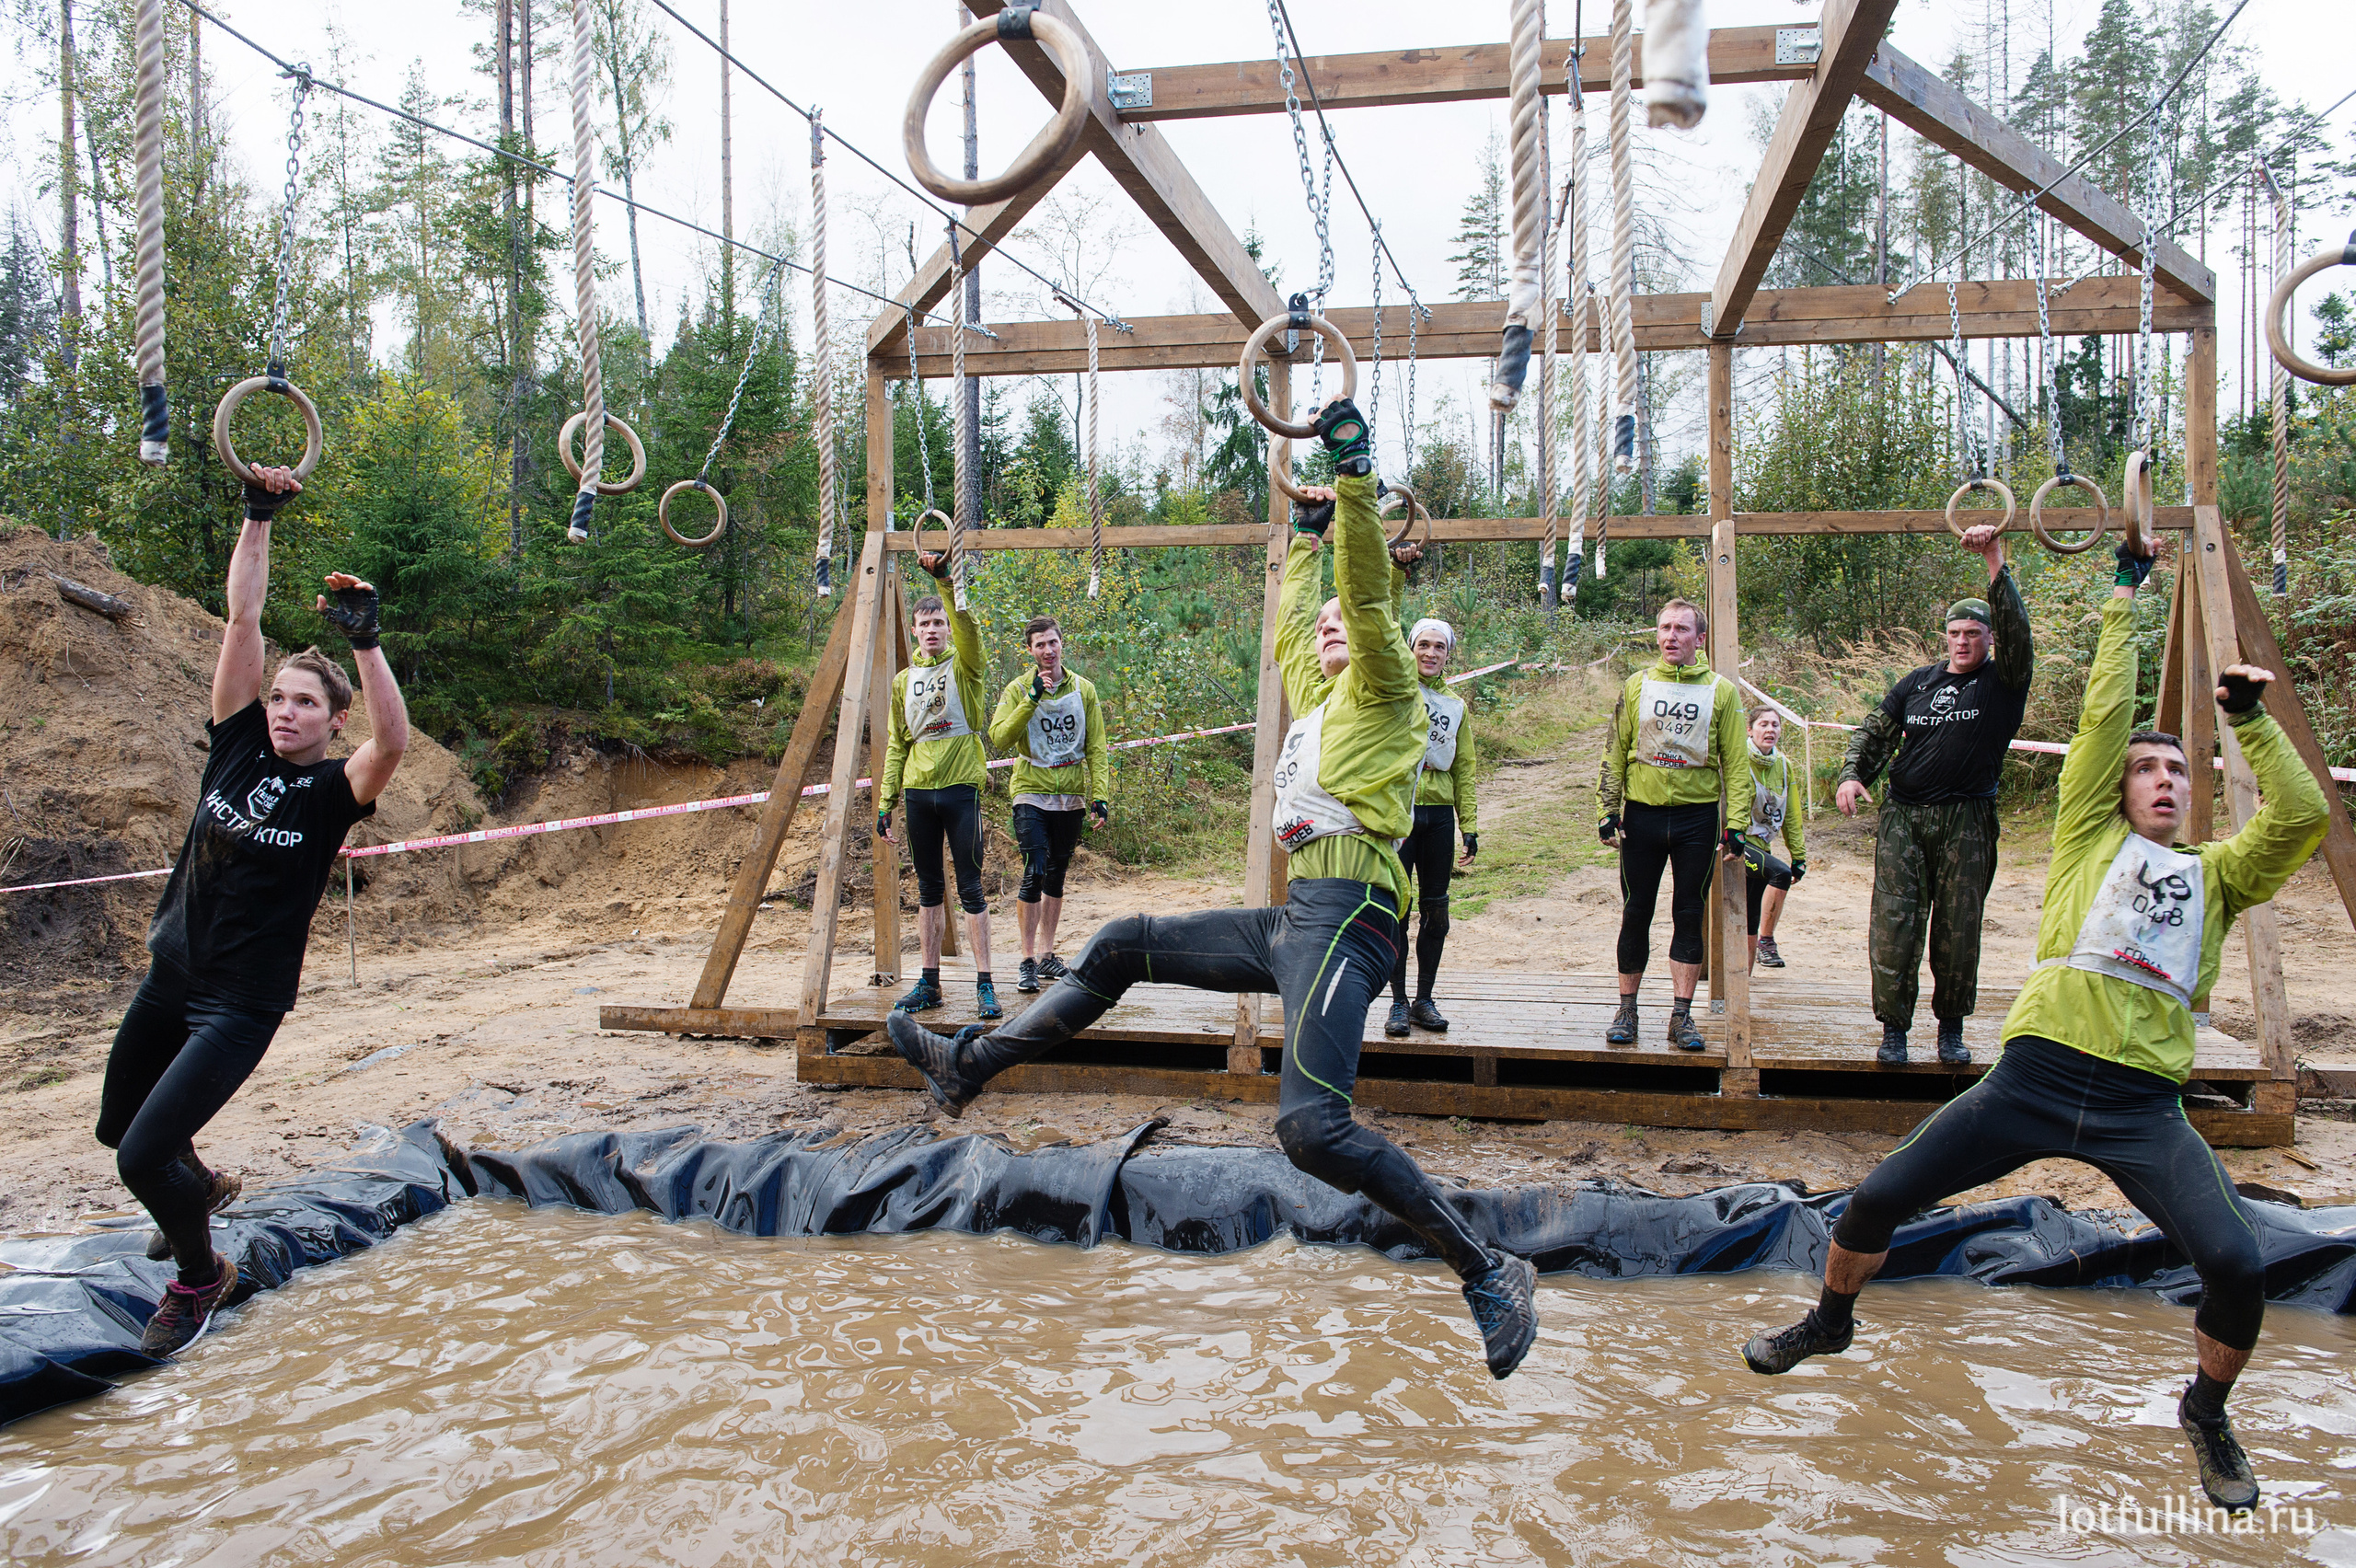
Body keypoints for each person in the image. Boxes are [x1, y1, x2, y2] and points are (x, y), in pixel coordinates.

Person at [884, 399, 1542, 1380]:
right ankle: (968, 1067)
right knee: (1115, 945)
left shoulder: (1388, 689)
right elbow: (1300, 615)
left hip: (1355, 917)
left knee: (1309, 1129)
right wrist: (1306, 538)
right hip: (1296, 918)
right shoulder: (1315, 701)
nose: (1327, 632)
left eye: (1342, 631)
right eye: (1319, 628)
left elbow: (1362, 602)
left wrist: (1354, 479)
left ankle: (1487, 1268)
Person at [1740, 537, 2327, 1514]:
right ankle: (1833, 1320)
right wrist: (2121, 596)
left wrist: (2248, 721)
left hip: (2142, 1107)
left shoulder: (2220, 876)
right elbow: (2103, 713)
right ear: (2118, 790)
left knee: (2235, 1267)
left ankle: (2206, 1413)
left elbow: (2300, 815)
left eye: (2178, 773)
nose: (2164, 781)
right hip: (2031, 1081)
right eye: (2146, 771)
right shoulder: (2086, 837)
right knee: (1871, 1204)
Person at [98, 465, 407, 1357]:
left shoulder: (330, 792)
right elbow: (241, 618)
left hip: (240, 1003)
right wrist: (257, 514)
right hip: (173, 973)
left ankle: (201, 1278)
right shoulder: (234, 744)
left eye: (304, 702)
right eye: (277, 695)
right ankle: (198, 1187)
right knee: (124, 1131)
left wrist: (367, 643)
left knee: (140, 1159)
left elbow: (394, 740)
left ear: (329, 722)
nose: (283, 709)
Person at [1836, 523, 2031, 1066]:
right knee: (1895, 924)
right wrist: (1854, 775)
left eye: (1974, 633)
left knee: (1957, 928)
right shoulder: (1918, 681)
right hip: (1904, 818)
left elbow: (2020, 633)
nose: (1963, 641)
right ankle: (1894, 1031)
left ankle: (1951, 1028)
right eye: (1956, 633)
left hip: (1967, 820)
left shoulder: (2003, 683)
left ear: (1989, 639)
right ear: (1945, 637)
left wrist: (1994, 560)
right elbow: (1875, 730)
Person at [1596, 599, 1750, 1051]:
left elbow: (1737, 764)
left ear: (1700, 639)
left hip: (1696, 819)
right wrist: (1607, 809)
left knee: (1688, 913)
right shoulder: (1637, 684)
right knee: (1635, 912)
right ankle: (1627, 1010)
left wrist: (1736, 824)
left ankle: (1681, 1018)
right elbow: (1614, 747)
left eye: (1682, 629)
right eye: (1664, 628)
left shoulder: (1721, 691)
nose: (1671, 637)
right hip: (1641, 815)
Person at [878, 552, 1000, 1020]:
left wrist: (947, 583)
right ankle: (928, 983)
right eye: (924, 623)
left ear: (947, 629)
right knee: (928, 890)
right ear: (914, 630)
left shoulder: (965, 668)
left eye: (938, 623)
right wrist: (886, 800)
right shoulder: (902, 681)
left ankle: (985, 984)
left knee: (970, 888)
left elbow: (970, 630)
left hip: (960, 791)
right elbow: (896, 743)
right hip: (917, 794)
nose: (932, 630)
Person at [987, 616, 1110, 994]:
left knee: (1056, 874)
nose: (1047, 650)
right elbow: (1000, 737)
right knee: (1035, 868)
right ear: (1030, 651)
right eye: (1039, 645)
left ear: (1062, 644)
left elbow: (1097, 746)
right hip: (1031, 791)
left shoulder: (1083, 689)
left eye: (1052, 643)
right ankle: (1025, 960)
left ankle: (1047, 955)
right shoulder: (1018, 688)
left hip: (1070, 796)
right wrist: (1032, 699)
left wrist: (1100, 795)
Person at [1385, 615, 1478, 1036]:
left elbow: (1466, 769)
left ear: (1448, 655)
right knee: (1397, 913)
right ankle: (1398, 1004)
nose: (1430, 653)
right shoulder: (1398, 693)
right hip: (1400, 814)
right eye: (1423, 644)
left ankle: (1425, 1000)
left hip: (1439, 818)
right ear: (1410, 648)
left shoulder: (1455, 706)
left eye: (1439, 647)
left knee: (1436, 912)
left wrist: (1469, 825)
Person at [1741, 707, 1807, 972]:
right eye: (1763, 724)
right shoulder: (1739, 757)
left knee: (1750, 911)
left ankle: (1743, 981)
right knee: (1778, 873)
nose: (1770, 730)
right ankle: (1766, 941)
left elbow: (1791, 814)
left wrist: (1799, 855)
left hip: (1761, 845)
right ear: (1750, 729)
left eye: (1775, 725)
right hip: (1735, 844)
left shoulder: (1783, 764)